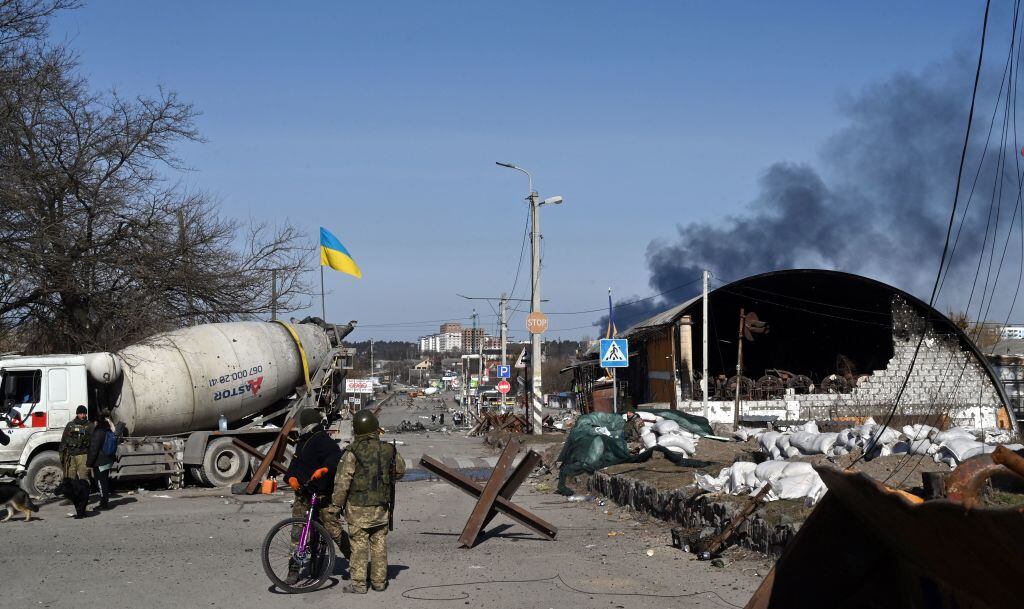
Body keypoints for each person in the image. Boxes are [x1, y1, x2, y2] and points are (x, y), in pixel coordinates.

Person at [329, 410, 405, 594]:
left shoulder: (352, 452)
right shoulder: (388, 448)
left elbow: (343, 482)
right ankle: (379, 582)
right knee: (379, 544)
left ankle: (360, 585)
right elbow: (400, 471)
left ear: (357, 429)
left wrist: (336, 507)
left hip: (357, 508)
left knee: (359, 546)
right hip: (381, 506)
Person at [284, 408, 349, 585]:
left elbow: (335, 457)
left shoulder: (321, 439)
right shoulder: (302, 441)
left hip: (321, 495)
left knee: (334, 530)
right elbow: (294, 464)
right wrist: (290, 477)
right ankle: (294, 568)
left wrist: (325, 469)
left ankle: (356, 560)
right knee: (298, 533)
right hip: (303, 495)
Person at [87, 411, 116, 509]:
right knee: (104, 481)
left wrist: (89, 463)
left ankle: (104, 504)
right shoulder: (108, 430)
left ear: (96, 422)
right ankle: (105, 501)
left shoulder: (98, 432)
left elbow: (93, 449)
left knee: (100, 482)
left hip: (100, 461)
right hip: (108, 460)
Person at [59, 406, 92, 482]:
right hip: (71, 455)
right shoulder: (70, 425)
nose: (83, 416)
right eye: (81, 413)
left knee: (84, 477)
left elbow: (93, 441)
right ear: (77, 414)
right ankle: (71, 493)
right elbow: (64, 440)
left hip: (83, 455)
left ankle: (85, 493)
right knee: (70, 478)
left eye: (84, 414)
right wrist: (61, 454)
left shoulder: (90, 425)